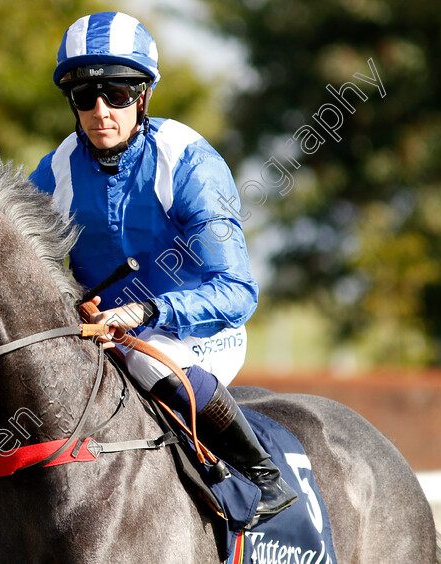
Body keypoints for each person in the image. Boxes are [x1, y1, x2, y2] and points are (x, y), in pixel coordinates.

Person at [30, 11, 297, 521]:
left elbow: (238, 292)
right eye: (85, 97)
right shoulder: (57, 168)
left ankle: (264, 476)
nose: (101, 110)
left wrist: (145, 312)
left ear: (144, 95)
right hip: (101, 334)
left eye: (118, 93)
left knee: (149, 359)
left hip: (195, 333)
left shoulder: (189, 162)